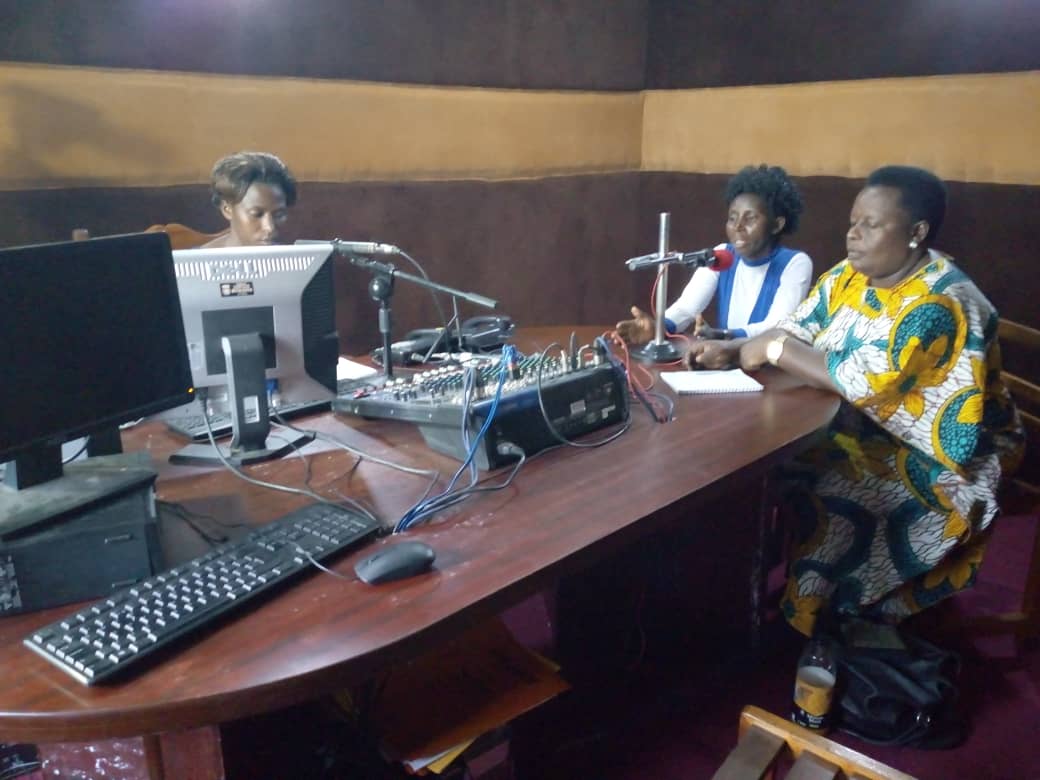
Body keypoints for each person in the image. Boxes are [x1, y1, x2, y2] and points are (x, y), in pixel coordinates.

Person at [686, 165, 1025, 636]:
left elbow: (863, 383)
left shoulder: (939, 302)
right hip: (865, 424)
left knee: (833, 493)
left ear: (916, 232)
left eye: (871, 224)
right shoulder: (850, 275)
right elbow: (798, 326)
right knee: (755, 470)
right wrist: (736, 350)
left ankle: (826, 621)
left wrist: (774, 349)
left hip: (947, 458)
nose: (853, 235)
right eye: (852, 222)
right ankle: (738, 601)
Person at [615, 164, 813, 356]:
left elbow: (777, 328)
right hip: (721, 362)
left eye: (750, 218)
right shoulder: (721, 255)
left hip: (768, 368)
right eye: (732, 218)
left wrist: (725, 336)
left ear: (777, 225)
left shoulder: (795, 263)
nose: (738, 227)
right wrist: (657, 327)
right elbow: (686, 308)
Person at [200, 151, 297, 247]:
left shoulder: (294, 256)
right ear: (227, 209)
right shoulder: (200, 257)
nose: (270, 227)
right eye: (257, 214)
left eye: (279, 215)